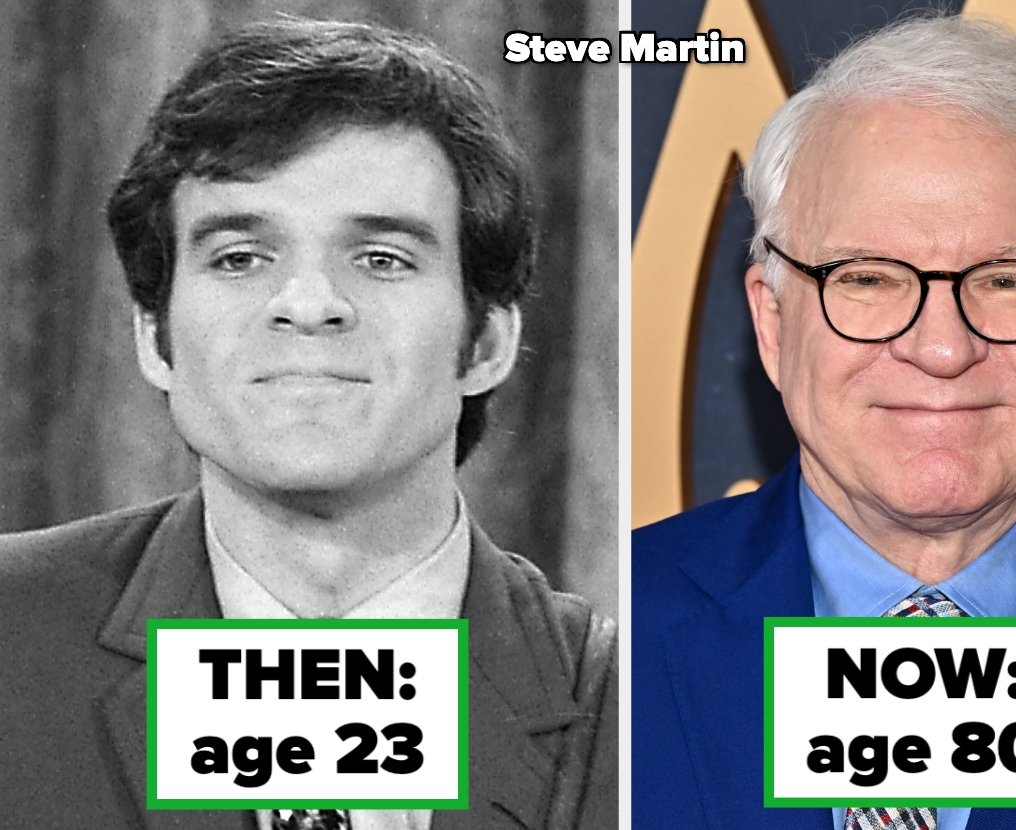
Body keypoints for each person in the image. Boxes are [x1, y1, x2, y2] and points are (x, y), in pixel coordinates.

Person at [633, 14, 1016, 829]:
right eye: (868, 278)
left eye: (1006, 280)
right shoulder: (605, 646)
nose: (943, 348)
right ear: (773, 323)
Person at [0, 19, 616, 830]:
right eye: (240, 258)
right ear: (154, 337)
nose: (308, 303)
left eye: (382, 258)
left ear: (487, 343)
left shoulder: (645, 712)